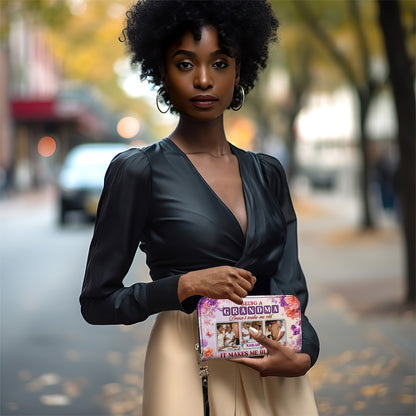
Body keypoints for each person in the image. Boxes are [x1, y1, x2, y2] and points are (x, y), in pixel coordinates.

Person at [79, 1, 319, 415]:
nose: (204, 79)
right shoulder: (139, 171)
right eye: (185, 64)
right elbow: (98, 301)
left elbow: (291, 289)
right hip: (184, 365)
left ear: (240, 72)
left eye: (220, 63)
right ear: (162, 73)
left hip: (271, 366)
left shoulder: (268, 173)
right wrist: (184, 286)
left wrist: (304, 356)